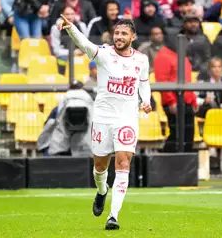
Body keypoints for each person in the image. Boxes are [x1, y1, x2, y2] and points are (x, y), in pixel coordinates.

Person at [58, 15, 152, 230]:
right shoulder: (104, 55)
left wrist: (146, 100)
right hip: (102, 118)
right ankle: (101, 191)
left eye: (123, 34)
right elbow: (84, 43)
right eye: (116, 33)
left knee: (123, 163)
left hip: (127, 119)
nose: (119, 37)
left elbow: (144, 84)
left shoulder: (141, 60)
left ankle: (113, 216)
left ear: (133, 37)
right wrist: (71, 28)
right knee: (100, 167)